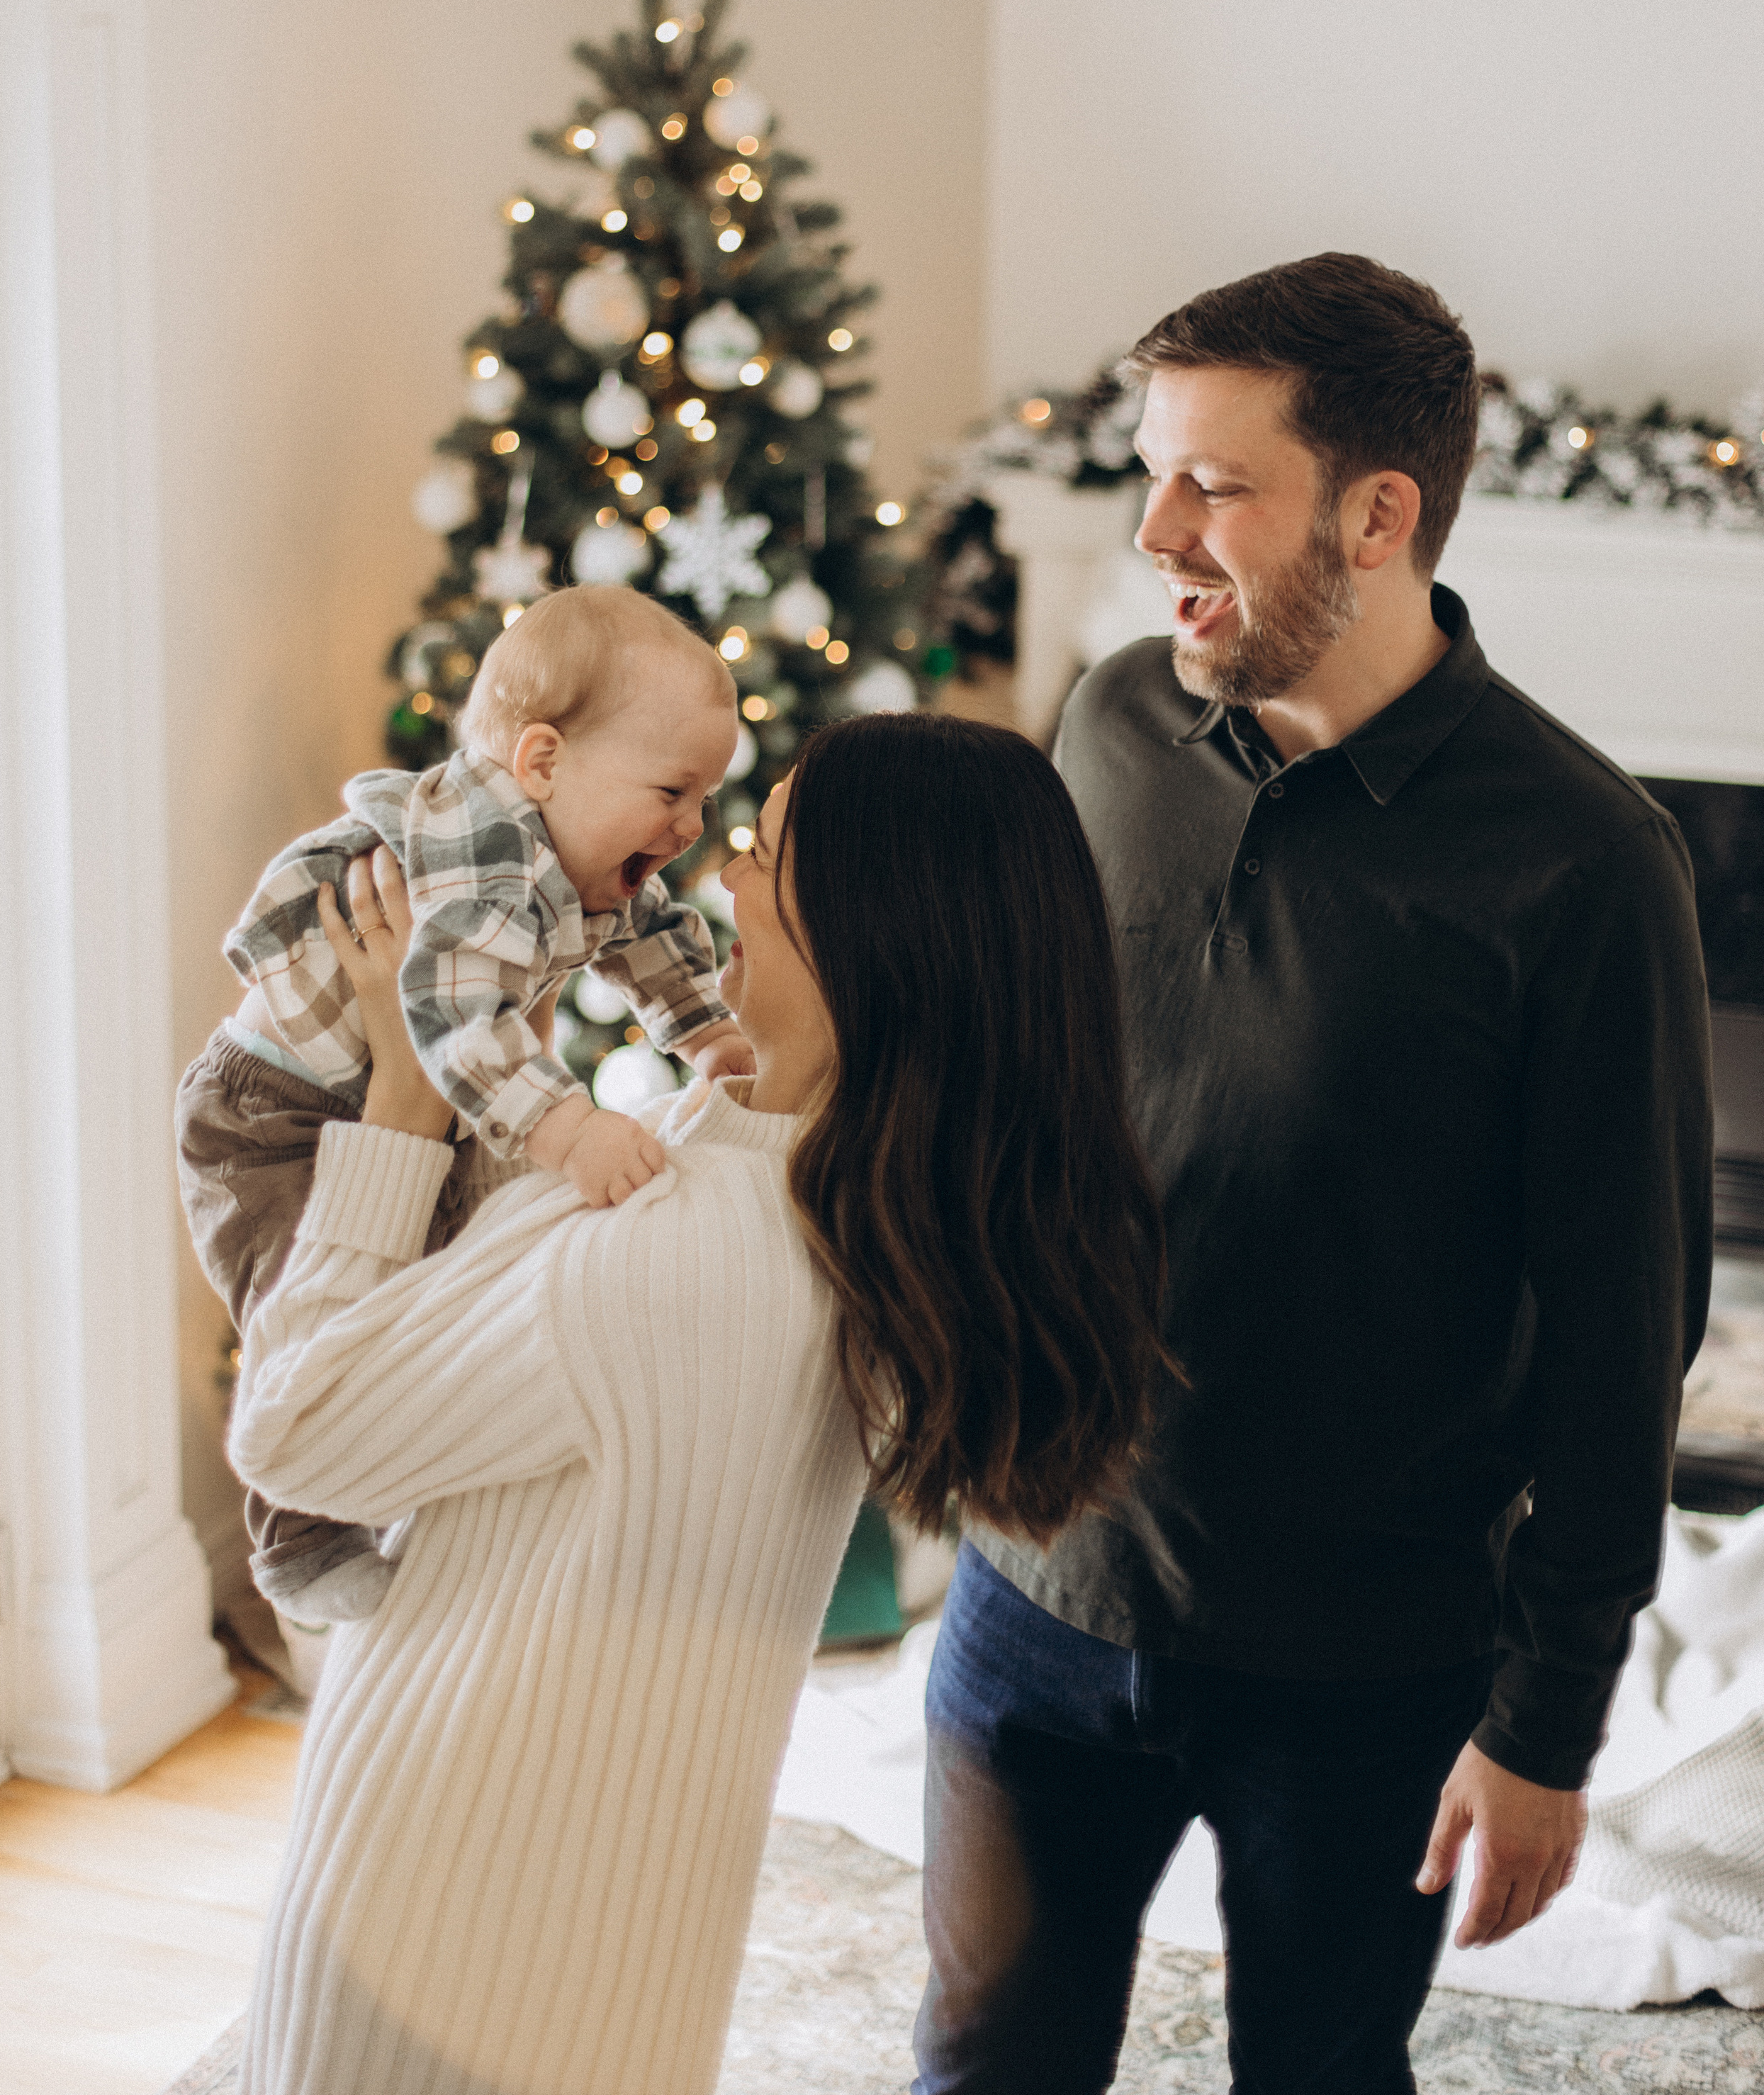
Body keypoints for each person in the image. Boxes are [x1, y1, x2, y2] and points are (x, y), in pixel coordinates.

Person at [914, 253, 1714, 2095]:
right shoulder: (1110, 724)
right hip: (1032, 1594)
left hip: (1361, 1669)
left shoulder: (1589, 867)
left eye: (1214, 485)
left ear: (1378, 515)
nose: (1153, 533)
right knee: (977, 2066)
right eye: (1151, 474)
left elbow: (1624, 1334)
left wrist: (1547, 1725)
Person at [227, 709, 1172, 2095]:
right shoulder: (851, 1216)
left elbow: (294, 1432)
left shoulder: (688, 1242)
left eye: (767, 856)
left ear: (861, 933)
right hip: (625, 1941)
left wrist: (406, 1103)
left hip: (435, 1918)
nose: (718, 875)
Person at [176, 583, 753, 1627]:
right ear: (543, 762)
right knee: (299, 1303)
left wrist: (705, 1033)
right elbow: (452, 1012)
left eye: (705, 797)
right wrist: (568, 1129)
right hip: (271, 1117)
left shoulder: (581, 852)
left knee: (433, 1286)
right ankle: (300, 1538)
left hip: (381, 1097)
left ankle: (402, 1484)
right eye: (674, 790)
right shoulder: (485, 854)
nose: (691, 827)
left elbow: (652, 937)